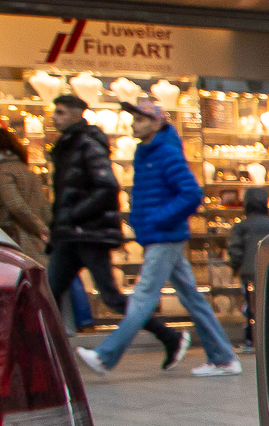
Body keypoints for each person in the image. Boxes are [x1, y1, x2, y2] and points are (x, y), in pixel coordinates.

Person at [78, 100, 241, 377]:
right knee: (193, 298)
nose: (134, 123)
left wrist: (159, 219)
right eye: (134, 119)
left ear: (156, 123)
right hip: (160, 235)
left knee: (143, 297)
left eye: (140, 119)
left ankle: (105, 356)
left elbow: (190, 193)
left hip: (164, 236)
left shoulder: (165, 153)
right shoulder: (147, 152)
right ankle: (224, 357)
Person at [46, 93, 184, 367]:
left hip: (89, 233)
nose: (54, 117)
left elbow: (108, 187)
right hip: (72, 235)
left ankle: (169, 337)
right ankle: (44, 355)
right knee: (48, 293)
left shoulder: (87, 144)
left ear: (76, 114)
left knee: (110, 296)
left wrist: (73, 216)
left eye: (60, 112)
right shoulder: (67, 145)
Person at [0, 125, 50, 258]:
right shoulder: (27, 171)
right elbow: (44, 207)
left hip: (12, 240)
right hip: (34, 243)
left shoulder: (0, 171)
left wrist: (40, 228)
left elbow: (15, 205)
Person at [225, 187, 269, 332]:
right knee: (268, 304)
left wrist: (235, 266)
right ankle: (268, 332)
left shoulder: (241, 226)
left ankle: (251, 336)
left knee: (250, 305)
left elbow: (235, 249)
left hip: (248, 271)